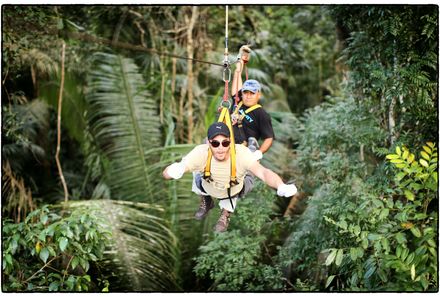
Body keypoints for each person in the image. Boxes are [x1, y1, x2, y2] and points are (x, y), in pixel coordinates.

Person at [162, 122, 297, 232]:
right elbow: (169, 172)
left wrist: (281, 185)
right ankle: (207, 201)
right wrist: (174, 170)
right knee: (195, 170)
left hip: (236, 187)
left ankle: (225, 214)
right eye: (215, 144)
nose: (220, 148)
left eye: (225, 143)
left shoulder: (239, 154)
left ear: (230, 142)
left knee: (251, 165)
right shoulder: (201, 152)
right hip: (209, 186)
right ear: (209, 143)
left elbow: (264, 173)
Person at [230, 45, 275, 161]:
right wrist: (239, 66)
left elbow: (269, 138)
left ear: (258, 95)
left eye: (252, 93)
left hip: (245, 151)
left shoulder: (261, 114)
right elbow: (237, 79)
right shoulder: (238, 102)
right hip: (226, 145)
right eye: (246, 93)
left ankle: (252, 149)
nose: (248, 96)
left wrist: (259, 153)